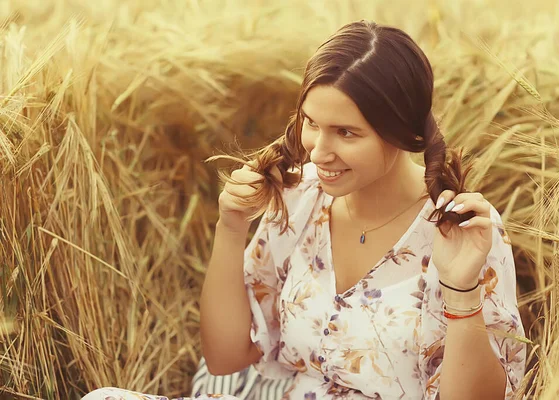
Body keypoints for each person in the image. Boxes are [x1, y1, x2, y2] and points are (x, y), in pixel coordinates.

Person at [83, 20, 526, 400]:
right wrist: (231, 227)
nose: (318, 152)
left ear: (404, 133)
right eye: (311, 124)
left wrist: (463, 293)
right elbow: (225, 359)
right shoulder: (300, 199)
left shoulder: (463, 232)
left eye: (346, 133)